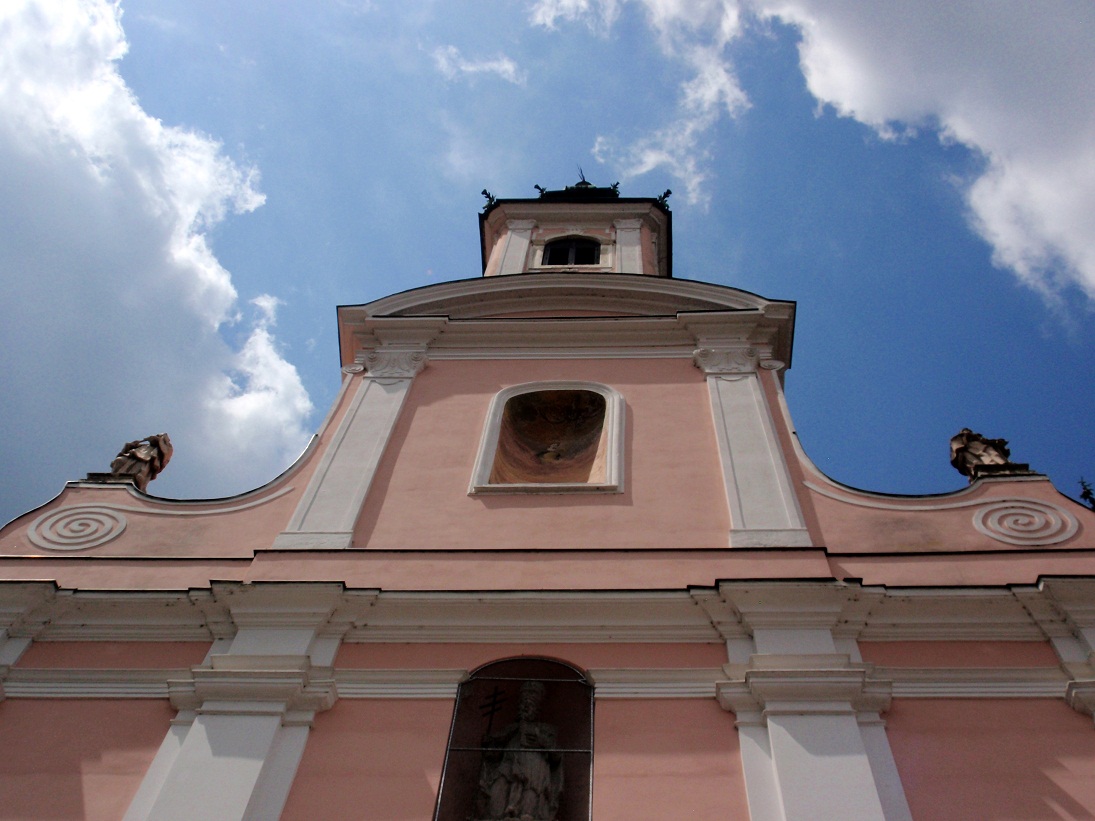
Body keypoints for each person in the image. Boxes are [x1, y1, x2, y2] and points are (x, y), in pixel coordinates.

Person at [476, 681, 563, 821]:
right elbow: (494, 753)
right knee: (496, 795)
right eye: (523, 705)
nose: (525, 708)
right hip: (508, 766)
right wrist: (488, 744)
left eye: (529, 705)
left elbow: (557, 756)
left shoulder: (546, 730)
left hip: (534, 768)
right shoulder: (510, 730)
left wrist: (543, 743)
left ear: (538, 709)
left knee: (531, 797)